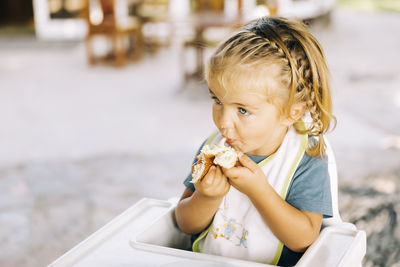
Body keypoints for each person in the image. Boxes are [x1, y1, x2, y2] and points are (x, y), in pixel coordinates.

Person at [175, 16, 336, 266]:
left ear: (292, 111)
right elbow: (184, 223)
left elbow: (304, 238)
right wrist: (206, 198)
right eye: (217, 100)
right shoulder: (215, 147)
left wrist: (258, 190)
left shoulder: (305, 158)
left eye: (242, 110)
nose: (223, 123)